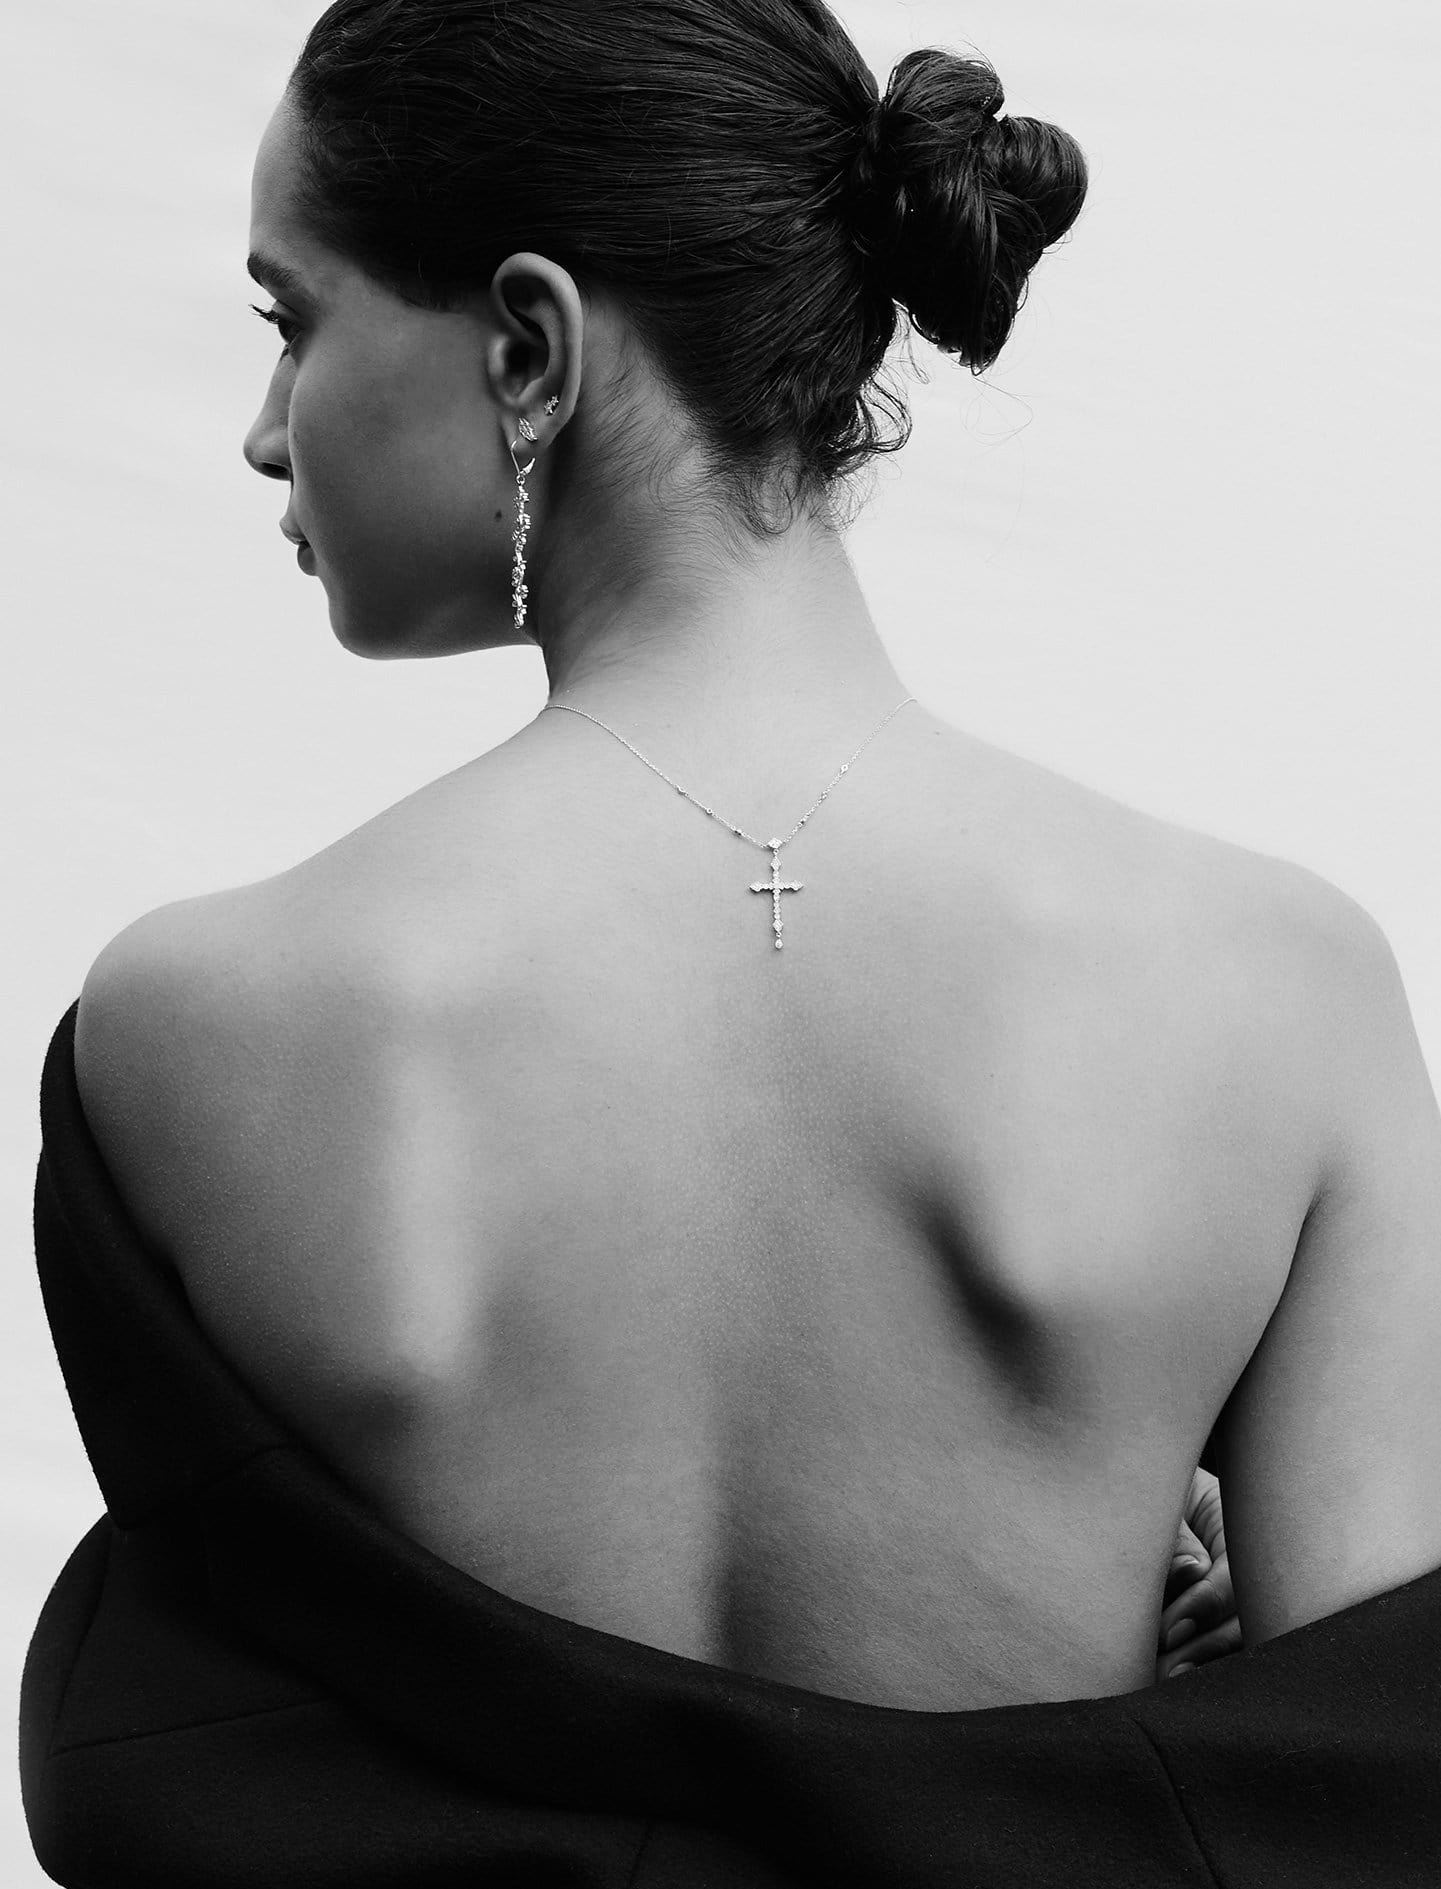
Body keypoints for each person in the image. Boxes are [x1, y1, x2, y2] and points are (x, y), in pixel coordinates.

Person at [22, 2, 1441, 1882]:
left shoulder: (192, 1026)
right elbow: (1371, 1788)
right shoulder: (1285, 995)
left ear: (529, 347)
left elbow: (196, 1750)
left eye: (295, 320)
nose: (266, 429)